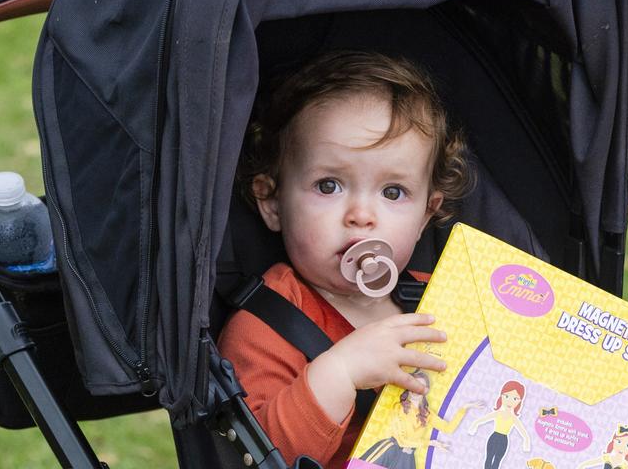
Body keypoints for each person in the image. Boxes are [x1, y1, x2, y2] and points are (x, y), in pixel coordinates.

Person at [219, 50, 470, 467]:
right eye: (329, 185)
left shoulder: (443, 300)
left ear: (427, 214)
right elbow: (261, 455)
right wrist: (340, 373)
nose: (361, 215)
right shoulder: (264, 327)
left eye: (393, 192)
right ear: (272, 202)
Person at [356, 369, 484, 469]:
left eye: (421, 386)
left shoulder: (427, 414)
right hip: (389, 450)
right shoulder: (399, 407)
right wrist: (430, 443)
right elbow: (402, 440)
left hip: (407, 459)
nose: (417, 389)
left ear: (426, 390)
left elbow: (448, 428)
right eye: (413, 384)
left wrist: (464, 408)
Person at [467, 379, 533, 469]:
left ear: (519, 401)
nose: (510, 401)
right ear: (501, 396)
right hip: (494, 438)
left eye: (515, 399)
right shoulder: (498, 413)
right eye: (506, 396)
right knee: (489, 458)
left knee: (497, 460)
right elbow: (482, 420)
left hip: (503, 440)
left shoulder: (513, 418)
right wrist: (474, 425)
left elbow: (523, 432)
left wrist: (526, 442)